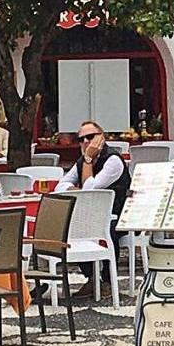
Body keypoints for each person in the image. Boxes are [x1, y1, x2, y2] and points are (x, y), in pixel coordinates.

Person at [54, 120, 132, 298]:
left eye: (90, 137)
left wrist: (88, 159)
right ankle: (92, 277)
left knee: (107, 230)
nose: (86, 142)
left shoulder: (113, 160)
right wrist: (85, 165)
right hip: (93, 215)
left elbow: (89, 190)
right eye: (81, 139)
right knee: (73, 228)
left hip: (119, 214)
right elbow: (61, 186)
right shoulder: (83, 161)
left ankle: (107, 281)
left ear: (102, 138)